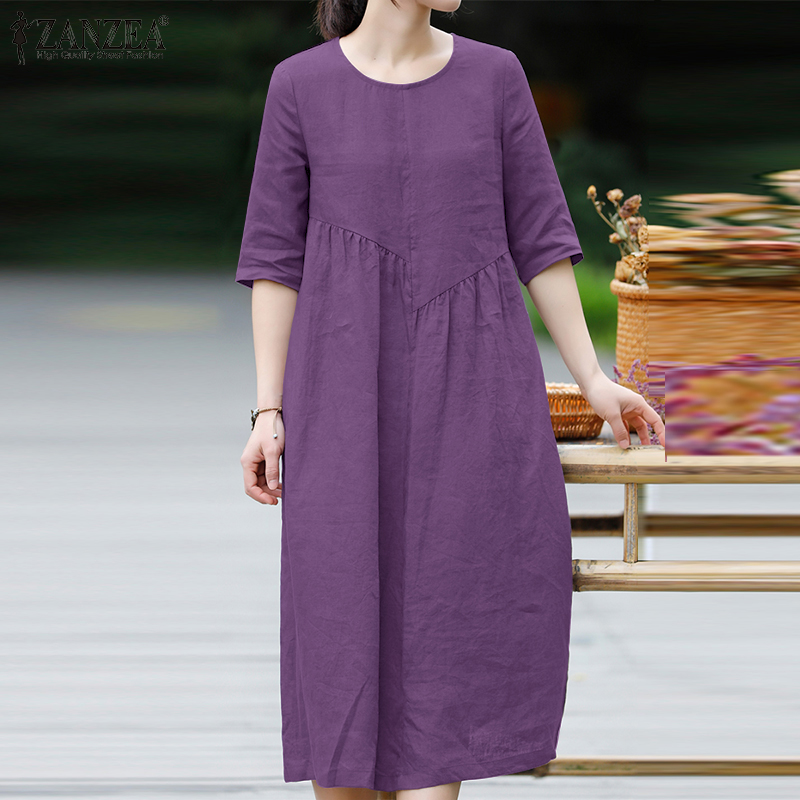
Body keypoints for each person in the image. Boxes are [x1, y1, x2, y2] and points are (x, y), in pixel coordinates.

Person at [236, 1, 665, 799]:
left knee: (457, 605)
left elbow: (541, 238)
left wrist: (594, 377)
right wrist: (269, 410)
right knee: (338, 612)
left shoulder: (496, 77)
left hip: (474, 390)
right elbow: (274, 258)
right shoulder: (299, 86)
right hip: (339, 394)